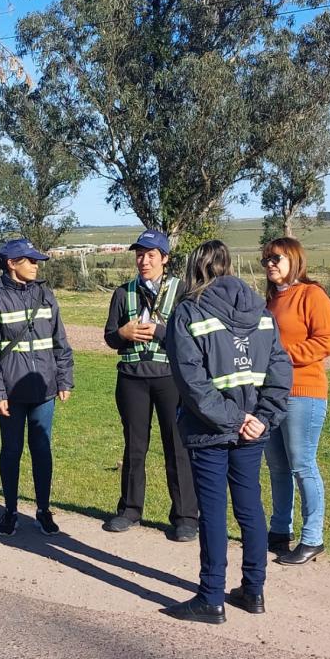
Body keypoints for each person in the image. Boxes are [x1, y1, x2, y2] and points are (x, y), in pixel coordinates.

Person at [163, 240, 292, 624]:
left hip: (211, 430)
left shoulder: (188, 311)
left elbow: (192, 382)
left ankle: (211, 596)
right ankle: (253, 590)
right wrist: (263, 418)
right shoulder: (261, 310)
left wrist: (236, 420)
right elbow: (280, 371)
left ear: (195, 268)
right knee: (250, 506)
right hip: (252, 428)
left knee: (214, 511)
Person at [0, 238, 74, 537]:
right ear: (11, 263)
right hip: (11, 394)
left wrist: (64, 378)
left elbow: (61, 342)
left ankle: (43, 510)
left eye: (36, 260)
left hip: (45, 389)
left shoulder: (46, 296)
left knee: (42, 449)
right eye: (29, 260)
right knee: (12, 450)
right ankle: (10, 511)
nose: (35, 265)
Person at [103, 229, 198, 541]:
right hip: (132, 378)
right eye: (140, 255)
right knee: (135, 446)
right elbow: (109, 337)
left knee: (177, 446)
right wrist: (124, 335)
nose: (144, 261)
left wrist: (158, 332)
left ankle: (185, 517)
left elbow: (192, 336)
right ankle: (129, 510)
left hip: (170, 378)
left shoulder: (182, 291)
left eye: (151, 255)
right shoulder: (123, 292)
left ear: (165, 259)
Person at [261, 237, 330, 565]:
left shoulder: (312, 294)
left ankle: (313, 538)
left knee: (301, 465)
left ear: (294, 259)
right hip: (272, 394)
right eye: (265, 259)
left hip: (303, 392)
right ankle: (280, 530)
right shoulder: (271, 300)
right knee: (277, 467)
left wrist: (281, 357)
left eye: (276, 258)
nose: (269, 264)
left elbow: (328, 339)